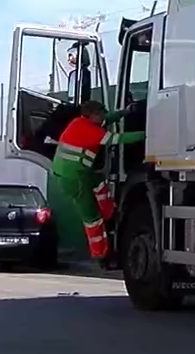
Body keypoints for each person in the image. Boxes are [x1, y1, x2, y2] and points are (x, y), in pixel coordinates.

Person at [51, 100, 145, 260]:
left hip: (77, 174)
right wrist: (147, 134)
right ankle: (100, 253)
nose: (104, 115)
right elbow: (116, 139)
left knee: (99, 180)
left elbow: (106, 120)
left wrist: (124, 112)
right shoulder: (90, 131)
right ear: (93, 115)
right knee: (92, 218)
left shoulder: (79, 122)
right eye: (101, 112)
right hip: (76, 179)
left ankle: (109, 211)